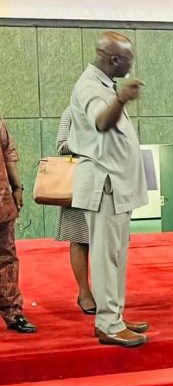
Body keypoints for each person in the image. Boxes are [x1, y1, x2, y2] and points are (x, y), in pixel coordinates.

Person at [68, 31, 149, 347]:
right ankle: (108, 324)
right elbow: (101, 123)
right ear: (114, 59)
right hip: (104, 185)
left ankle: (114, 317)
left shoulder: (103, 84)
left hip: (115, 185)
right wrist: (120, 99)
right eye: (128, 58)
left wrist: (118, 96)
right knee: (106, 257)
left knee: (116, 255)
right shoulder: (90, 86)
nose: (131, 64)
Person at [55, 106, 95, 314]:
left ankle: (106, 293)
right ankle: (84, 293)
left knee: (108, 242)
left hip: (109, 181)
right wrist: (88, 142)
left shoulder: (113, 111)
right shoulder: (71, 112)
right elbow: (61, 145)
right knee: (79, 239)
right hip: (79, 182)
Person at [0, 117, 36, 334]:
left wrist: (17, 187)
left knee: (7, 256)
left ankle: (13, 312)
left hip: (2, 200)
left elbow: (7, 152)